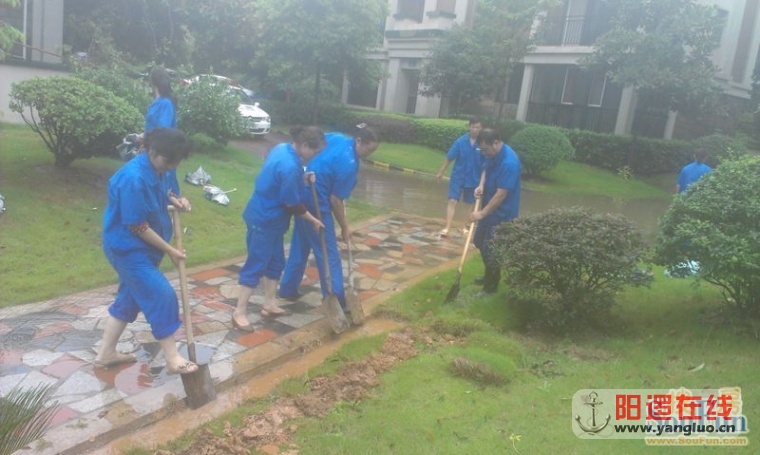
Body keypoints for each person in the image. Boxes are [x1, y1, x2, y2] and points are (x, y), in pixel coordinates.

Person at [95, 128, 197, 374]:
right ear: (151, 150)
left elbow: (162, 192)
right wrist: (171, 250)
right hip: (127, 249)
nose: (169, 167)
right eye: (166, 161)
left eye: (174, 163)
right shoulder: (133, 179)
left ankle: (105, 354)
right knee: (160, 294)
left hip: (144, 249)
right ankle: (173, 359)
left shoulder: (158, 167)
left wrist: (175, 200)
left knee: (130, 299)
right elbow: (138, 226)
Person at [232, 126, 326, 331]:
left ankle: (270, 303)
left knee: (276, 261)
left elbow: (279, 179)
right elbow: (292, 204)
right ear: (303, 145)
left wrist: (303, 177)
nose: (315, 156)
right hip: (265, 219)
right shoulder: (291, 167)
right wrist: (313, 220)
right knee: (256, 264)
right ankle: (239, 312)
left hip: (269, 217)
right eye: (315, 151)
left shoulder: (282, 148)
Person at [278, 125, 380, 315]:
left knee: (301, 244)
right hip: (317, 203)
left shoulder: (338, 138)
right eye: (369, 149)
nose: (370, 153)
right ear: (359, 141)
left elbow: (318, 139)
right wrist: (344, 227)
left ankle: (287, 289)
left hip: (303, 194)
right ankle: (337, 299)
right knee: (329, 253)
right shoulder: (350, 164)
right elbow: (336, 200)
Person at [471, 128, 521, 296]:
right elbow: (485, 169)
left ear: (496, 142)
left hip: (502, 213)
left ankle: (491, 287)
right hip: (488, 205)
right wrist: (481, 185)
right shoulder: (491, 154)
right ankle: (488, 276)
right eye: (482, 150)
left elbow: (501, 195)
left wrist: (481, 214)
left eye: (486, 149)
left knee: (490, 249)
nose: (484, 153)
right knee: (478, 241)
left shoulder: (509, 163)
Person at [143, 67, 189, 211]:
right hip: (150, 150)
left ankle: (167, 207)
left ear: (152, 82)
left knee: (163, 183)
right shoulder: (157, 102)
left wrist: (146, 138)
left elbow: (163, 131)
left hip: (162, 151)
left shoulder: (165, 104)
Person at [436, 116, 483, 236]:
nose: (475, 129)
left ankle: (463, 227)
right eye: (473, 127)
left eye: (478, 127)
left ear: (480, 128)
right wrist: (440, 172)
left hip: (473, 179)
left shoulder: (482, 145)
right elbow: (449, 157)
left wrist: (483, 183)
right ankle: (447, 227)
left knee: (469, 203)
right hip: (458, 176)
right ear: (469, 127)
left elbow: (486, 165)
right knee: (452, 200)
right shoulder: (460, 141)